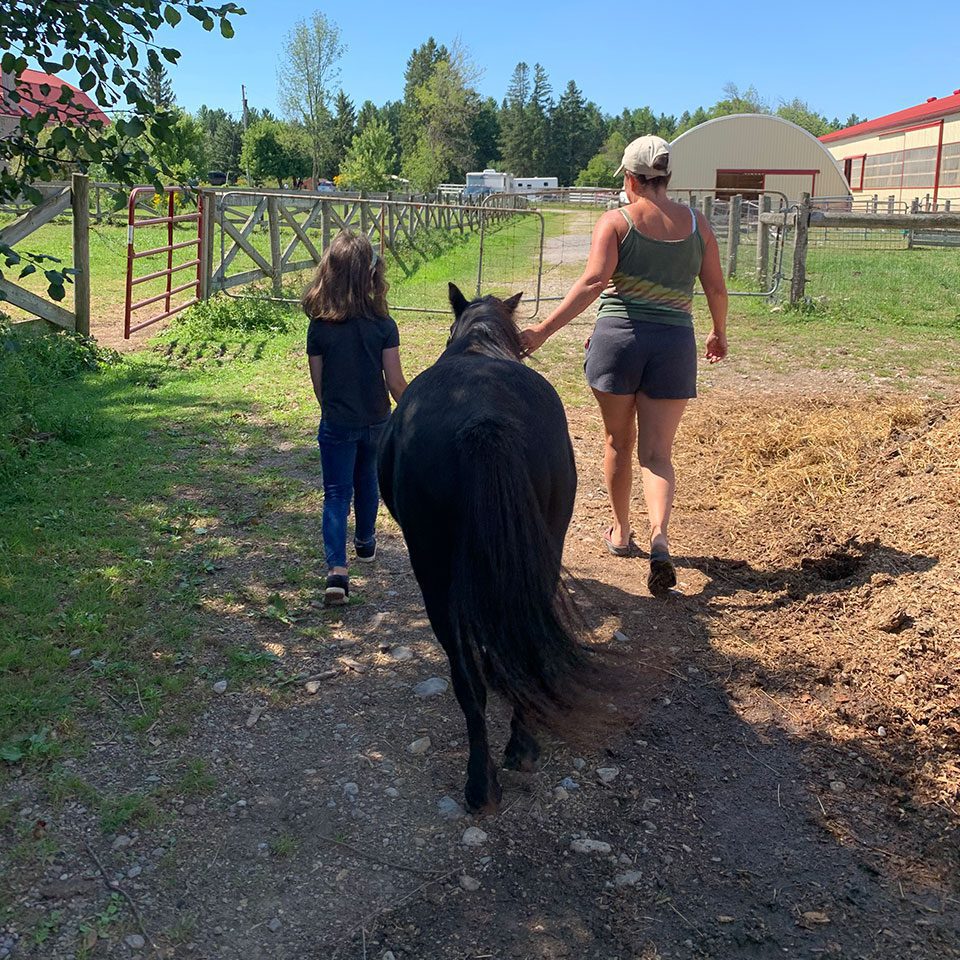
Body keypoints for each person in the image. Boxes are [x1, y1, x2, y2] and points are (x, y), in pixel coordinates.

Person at [520, 135, 728, 596]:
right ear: (666, 177)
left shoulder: (616, 222)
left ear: (631, 179)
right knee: (657, 454)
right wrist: (718, 331)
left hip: (618, 342)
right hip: (674, 345)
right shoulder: (699, 225)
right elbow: (715, 287)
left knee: (618, 440)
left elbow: (595, 281)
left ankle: (620, 533)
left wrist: (541, 331)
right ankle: (660, 539)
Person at [304, 231, 407, 605]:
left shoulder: (318, 326)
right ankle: (365, 541)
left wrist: (333, 410)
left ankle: (337, 573)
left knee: (335, 493)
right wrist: (414, 409)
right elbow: (395, 382)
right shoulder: (384, 325)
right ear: (371, 275)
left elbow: (319, 385)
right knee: (367, 481)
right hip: (377, 419)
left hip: (336, 422)